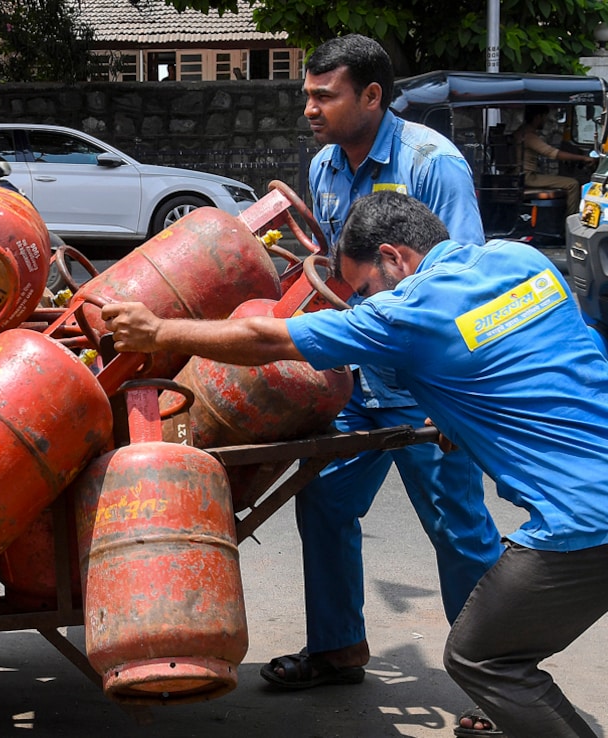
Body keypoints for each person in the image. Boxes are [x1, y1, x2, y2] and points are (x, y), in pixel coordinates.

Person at [101, 190, 608, 738]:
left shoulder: (407, 312)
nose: (363, 303)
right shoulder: (523, 260)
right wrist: (462, 419)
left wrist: (157, 332)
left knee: (482, 658)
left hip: (584, 522)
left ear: (394, 257)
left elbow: (263, 336)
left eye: (363, 290)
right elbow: (543, 359)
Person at [256, 32, 504, 727]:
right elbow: (339, 275)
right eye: (306, 94)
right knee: (325, 506)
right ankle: (339, 648)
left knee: (461, 535)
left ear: (370, 95)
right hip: (354, 384)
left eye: (322, 95)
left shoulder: (434, 164)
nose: (309, 107)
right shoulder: (327, 167)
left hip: (429, 387)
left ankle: (495, 682)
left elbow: (464, 285)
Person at [512, 104, 595, 216]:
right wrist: (583, 158)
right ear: (538, 117)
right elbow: (553, 153)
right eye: (545, 117)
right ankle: (570, 220)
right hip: (528, 177)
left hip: (521, 175)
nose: (545, 121)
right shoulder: (528, 136)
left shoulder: (521, 132)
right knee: (573, 184)